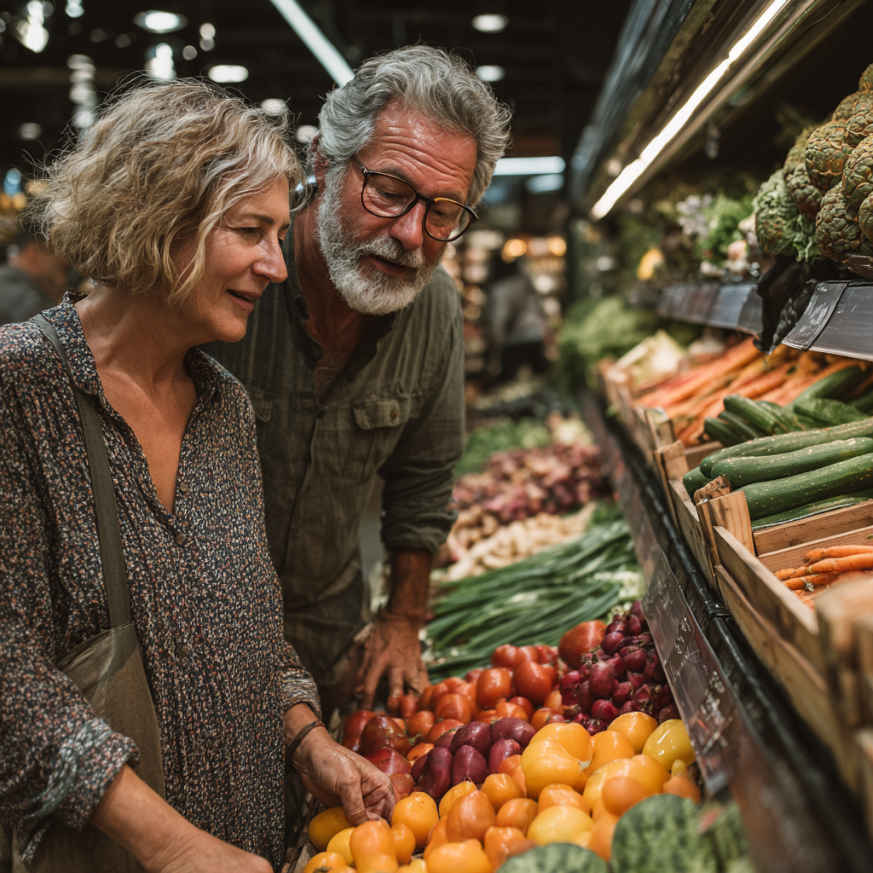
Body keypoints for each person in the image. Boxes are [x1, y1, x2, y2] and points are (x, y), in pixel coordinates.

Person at [0, 80, 391, 873]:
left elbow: (251, 625)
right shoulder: (22, 390)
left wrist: (308, 739)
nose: (276, 266)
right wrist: (174, 845)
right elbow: (9, 673)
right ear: (157, 219)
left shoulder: (226, 411)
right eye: (250, 231)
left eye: (280, 234)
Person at [204, 46, 512, 713]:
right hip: (192, 639)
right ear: (321, 162)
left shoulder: (433, 312)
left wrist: (402, 619)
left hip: (325, 634)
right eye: (390, 192)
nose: (410, 234)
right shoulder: (232, 277)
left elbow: (422, 481)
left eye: (442, 212)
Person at [486, 254, 550, 383]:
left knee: (507, 383)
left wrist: (495, 347)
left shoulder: (499, 289)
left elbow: (497, 319)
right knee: (542, 380)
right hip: (535, 335)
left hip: (513, 340)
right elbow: (539, 308)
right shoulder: (525, 282)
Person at [0, 219, 71, 324]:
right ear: (33, 252)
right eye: (59, 250)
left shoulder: (8, 280)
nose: (66, 259)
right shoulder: (27, 301)